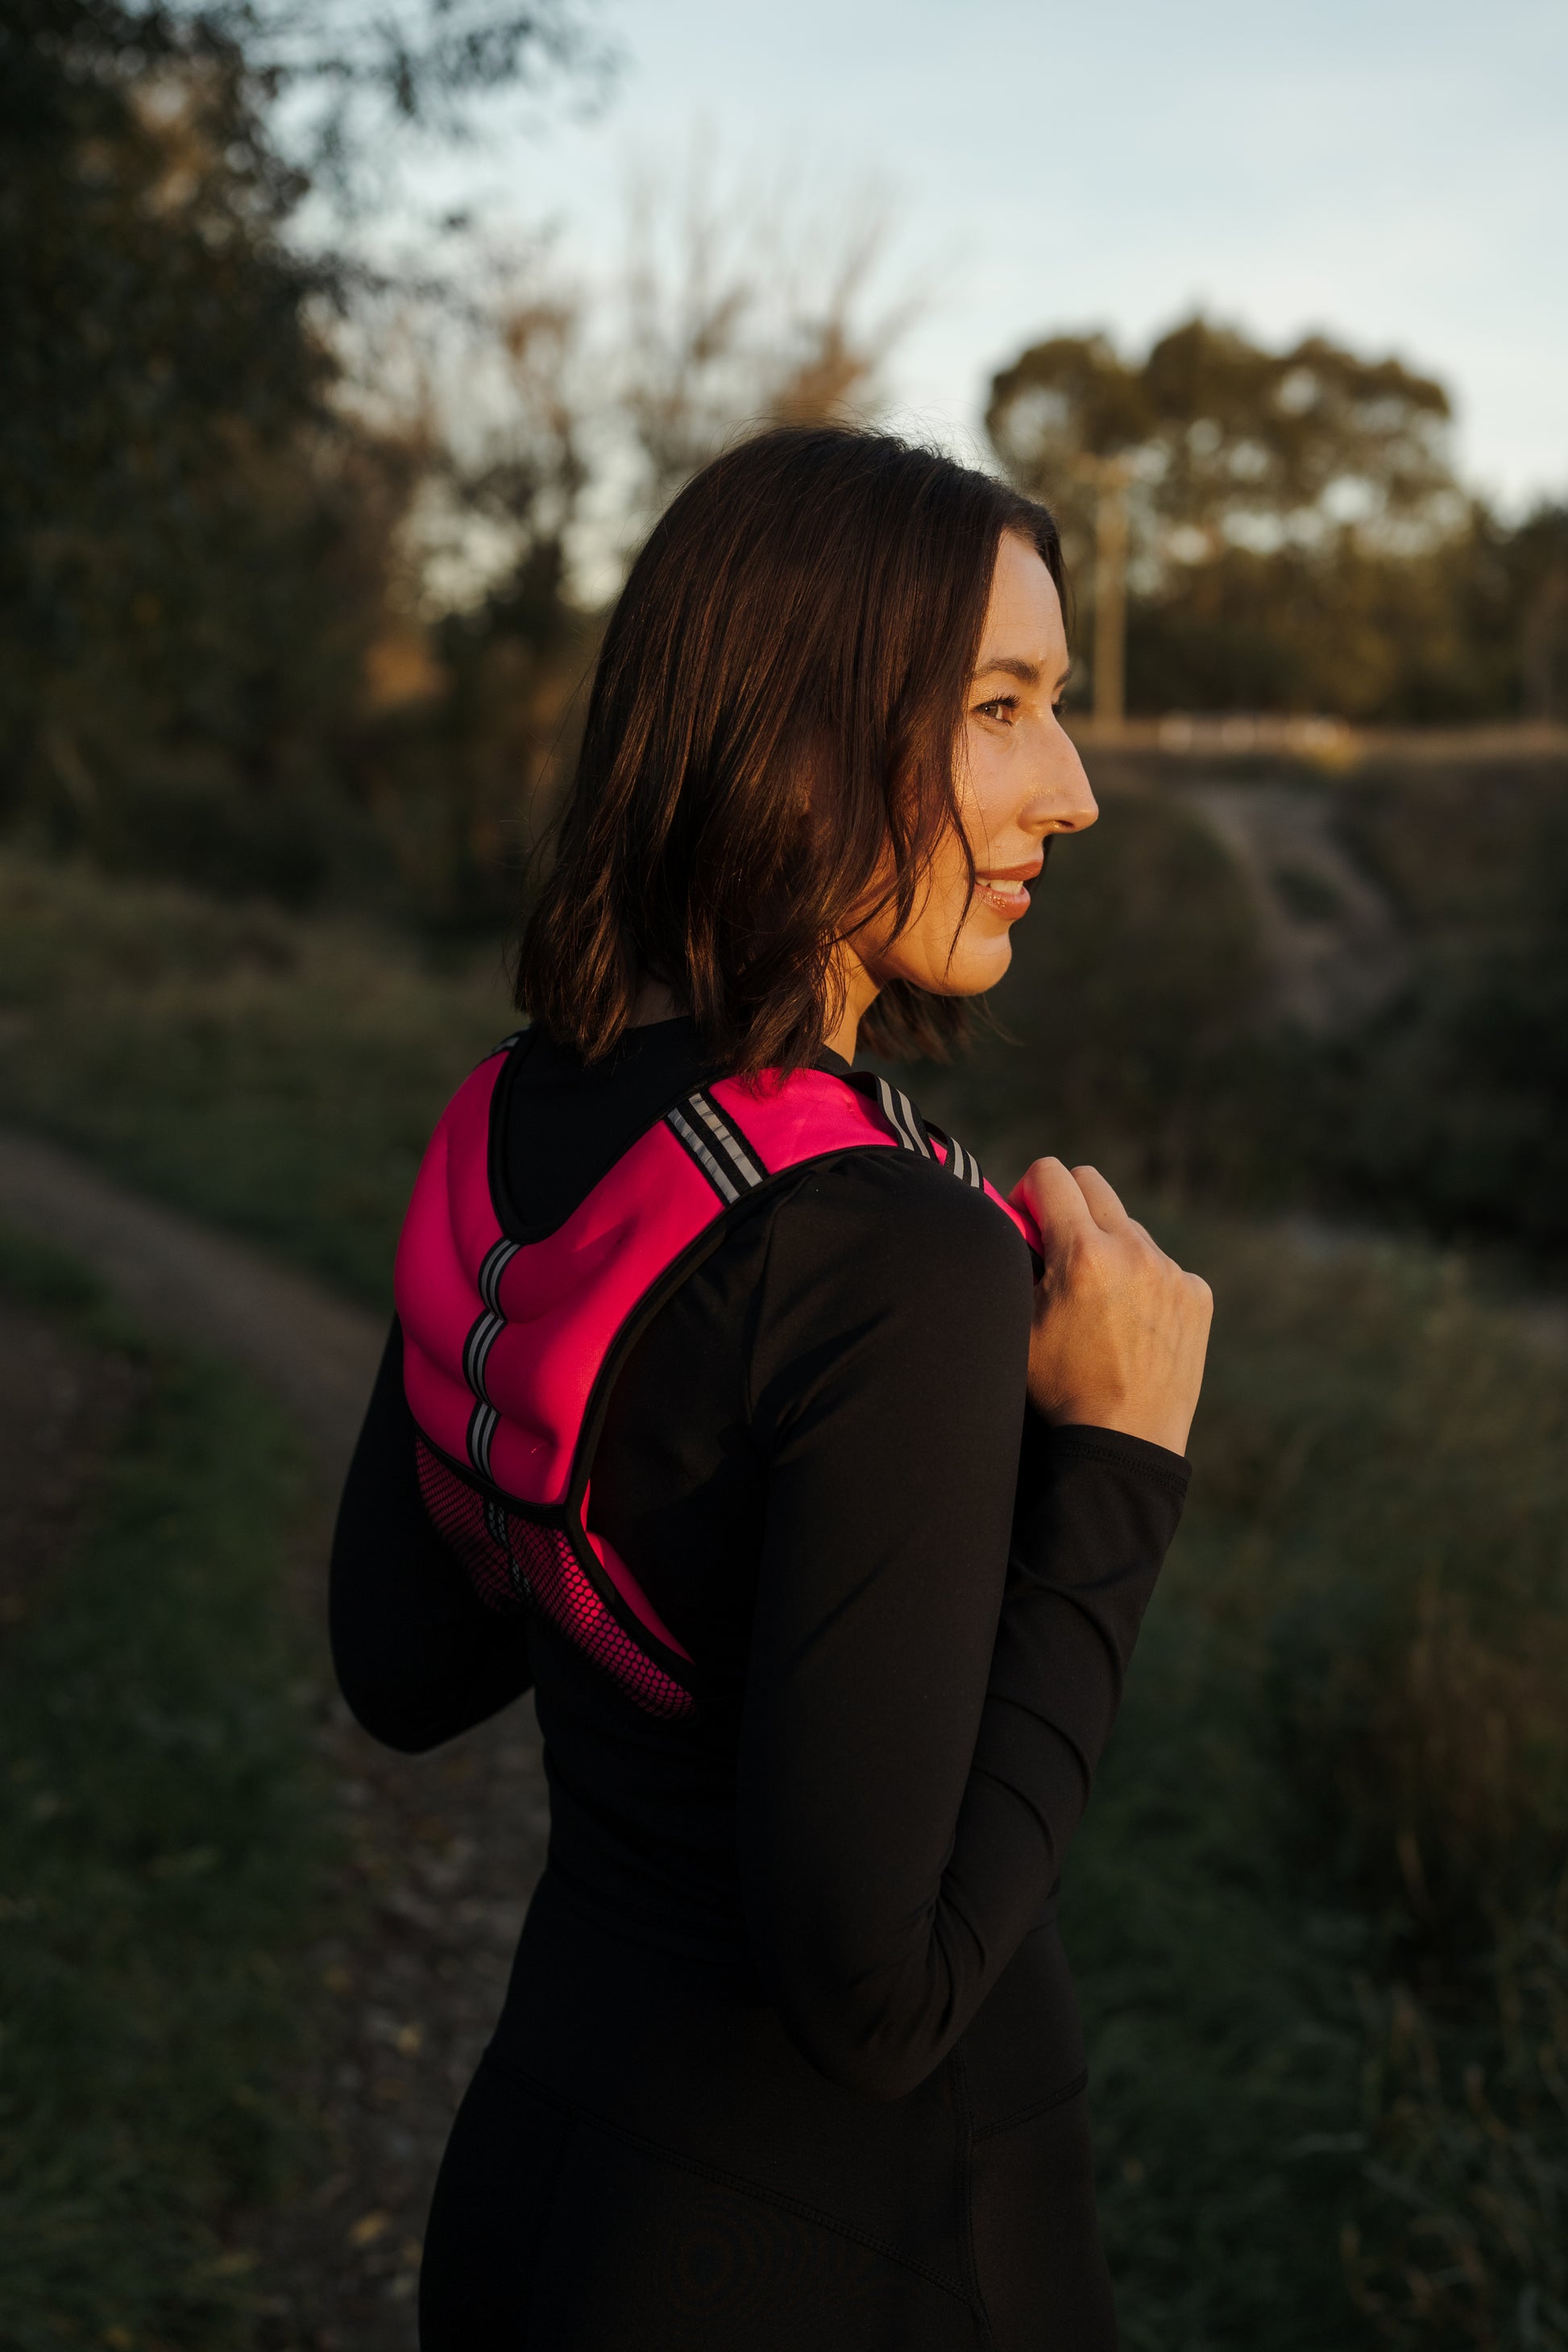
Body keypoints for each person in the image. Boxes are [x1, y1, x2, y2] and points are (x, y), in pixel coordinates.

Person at [330, 425, 1212, 2351]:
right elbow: (880, 1994)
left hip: (537, 2199)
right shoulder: (894, 1246)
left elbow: (401, 1666)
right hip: (862, 2254)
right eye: (999, 707)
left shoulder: (511, 1127)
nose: (1067, 788)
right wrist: (1123, 1463)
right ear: (794, 736)